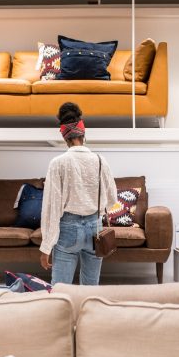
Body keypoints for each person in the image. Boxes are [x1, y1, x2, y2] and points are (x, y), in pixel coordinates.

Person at [39, 102, 117, 285]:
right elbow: (112, 198)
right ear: (83, 134)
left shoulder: (58, 163)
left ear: (65, 138)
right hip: (95, 230)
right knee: (90, 289)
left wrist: (46, 246)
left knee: (62, 289)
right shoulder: (100, 160)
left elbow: (52, 207)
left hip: (68, 229)